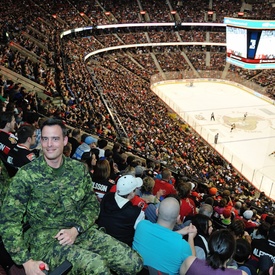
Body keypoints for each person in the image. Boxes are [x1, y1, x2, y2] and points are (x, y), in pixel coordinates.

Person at [0, 118, 143, 275]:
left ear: (65, 140)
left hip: (80, 230)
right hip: (46, 241)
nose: (49, 144)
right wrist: (25, 261)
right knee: (98, 267)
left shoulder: (78, 170)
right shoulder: (26, 175)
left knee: (133, 263)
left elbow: (92, 205)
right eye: (45, 139)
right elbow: (9, 221)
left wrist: (76, 229)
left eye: (55, 139)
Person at [133, 197, 197, 275]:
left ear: (157, 211)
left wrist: (179, 232)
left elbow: (162, 236)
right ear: (178, 218)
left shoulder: (142, 226)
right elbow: (193, 267)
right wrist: (191, 236)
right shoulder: (183, 246)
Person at [97, 175, 145, 247]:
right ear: (131, 192)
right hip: (119, 249)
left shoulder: (107, 196)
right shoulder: (137, 213)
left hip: (99, 240)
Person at [180, 229, 248, 275]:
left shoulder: (189, 262)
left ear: (210, 246)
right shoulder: (242, 274)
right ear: (232, 254)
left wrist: (191, 237)